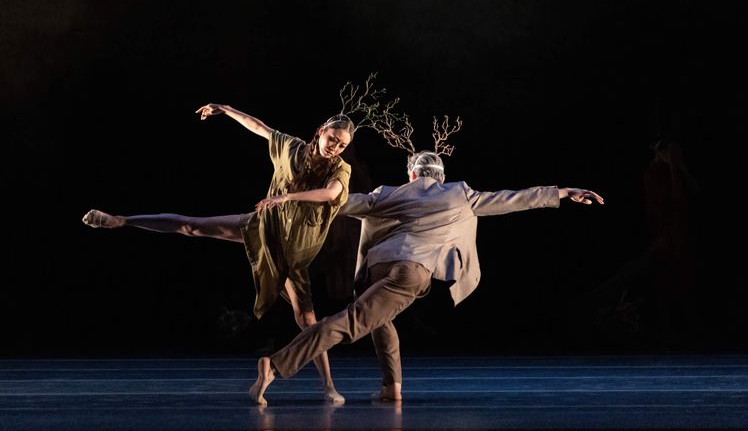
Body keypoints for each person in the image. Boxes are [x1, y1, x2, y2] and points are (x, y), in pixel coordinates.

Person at [248, 150, 604, 405]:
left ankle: (392, 388)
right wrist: (564, 193)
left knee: (379, 321)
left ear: (413, 175)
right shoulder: (460, 193)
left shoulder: (387, 193)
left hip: (377, 267)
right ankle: (276, 366)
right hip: (410, 272)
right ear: (440, 175)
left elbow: (338, 202)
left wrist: (289, 199)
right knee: (350, 323)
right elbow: (513, 199)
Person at [83, 103, 353, 403]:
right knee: (192, 226)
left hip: (290, 248)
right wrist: (225, 110)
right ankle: (121, 220)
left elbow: (331, 193)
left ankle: (328, 385)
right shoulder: (291, 147)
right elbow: (259, 127)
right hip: (262, 226)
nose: (336, 147)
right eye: (333, 139)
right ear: (321, 132)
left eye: (342, 145)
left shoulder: (340, 169)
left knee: (306, 319)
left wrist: (288, 195)